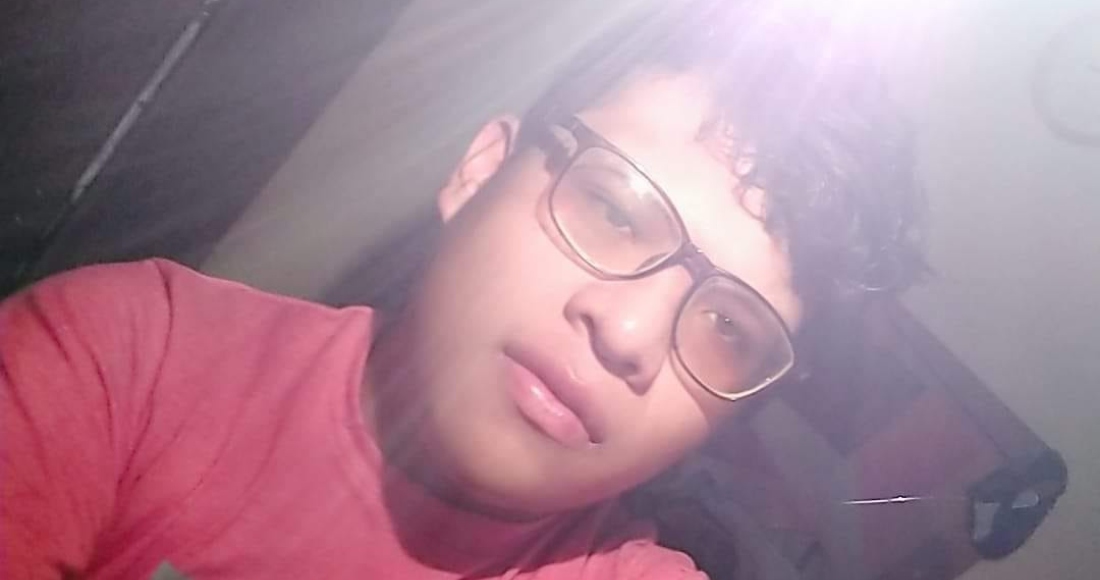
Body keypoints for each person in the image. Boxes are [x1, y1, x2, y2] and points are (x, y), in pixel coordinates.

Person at [1, 1, 925, 578]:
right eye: (613, 208)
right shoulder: (133, 357)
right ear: (480, 169)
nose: (630, 332)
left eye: (729, 329)